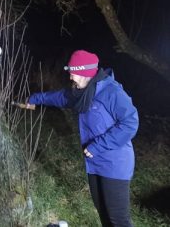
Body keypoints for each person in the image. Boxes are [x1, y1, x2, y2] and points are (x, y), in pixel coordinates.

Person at [27, 50, 139, 227]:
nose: (71, 76)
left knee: (118, 219)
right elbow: (59, 97)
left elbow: (130, 123)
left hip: (114, 163)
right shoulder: (81, 93)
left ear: (86, 72)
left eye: (74, 72)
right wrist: (34, 99)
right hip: (94, 164)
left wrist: (97, 146)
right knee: (103, 211)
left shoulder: (111, 92)